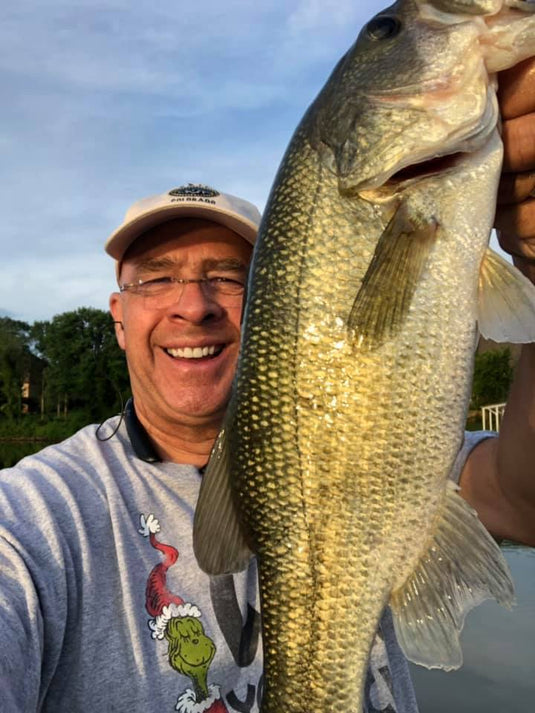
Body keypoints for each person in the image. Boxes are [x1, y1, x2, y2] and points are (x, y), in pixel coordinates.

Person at [1, 59, 534, 713]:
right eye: (157, 277)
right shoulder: (34, 517)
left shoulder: (375, 432)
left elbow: (523, 499)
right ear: (118, 316)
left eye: (225, 275)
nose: (191, 305)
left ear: (273, 301)